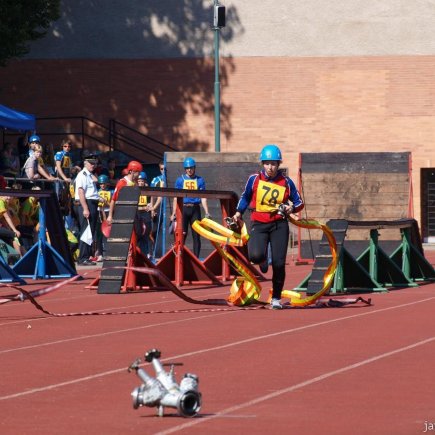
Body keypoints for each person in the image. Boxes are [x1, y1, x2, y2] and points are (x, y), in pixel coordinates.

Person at [231, 144, 304, 309]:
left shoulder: (286, 182)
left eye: (273, 163)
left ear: (278, 164)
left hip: (279, 225)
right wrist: (238, 213)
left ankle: (276, 298)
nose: (270, 167)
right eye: (267, 163)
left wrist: (291, 208)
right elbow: (245, 197)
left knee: (278, 264)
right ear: (262, 164)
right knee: (255, 256)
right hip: (258, 223)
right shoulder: (254, 179)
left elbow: (300, 202)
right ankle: (262, 259)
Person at [170, 157, 210, 259]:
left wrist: (207, 212)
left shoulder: (200, 180)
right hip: (183, 209)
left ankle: (196, 258)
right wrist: (174, 213)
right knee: (182, 234)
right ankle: (179, 257)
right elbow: (175, 198)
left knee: (196, 235)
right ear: (185, 169)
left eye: (191, 167)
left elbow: (203, 197)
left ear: (194, 167)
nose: (189, 170)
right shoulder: (180, 180)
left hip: (195, 209)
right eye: (187, 168)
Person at [74, 151, 100, 266]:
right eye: (90, 163)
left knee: (91, 232)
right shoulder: (82, 175)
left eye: (94, 163)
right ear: (85, 163)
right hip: (87, 204)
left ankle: (87, 256)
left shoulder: (90, 175)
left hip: (92, 203)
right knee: (86, 232)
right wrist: (85, 208)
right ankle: (82, 257)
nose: (93, 165)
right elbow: (80, 192)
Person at [106, 160, 143, 225]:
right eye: (138, 172)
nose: (139, 175)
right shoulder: (122, 182)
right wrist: (110, 216)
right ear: (132, 172)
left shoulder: (135, 183)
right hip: (122, 214)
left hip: (133, 214)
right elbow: (113, 199)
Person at [150, 161, 166, 258]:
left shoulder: (169, 179)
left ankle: (162, 252)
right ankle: (154, 250)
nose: (163, 171)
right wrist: (152, 209)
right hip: (157, 207)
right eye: (161, 169)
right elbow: (152, 195)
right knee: (154, 230)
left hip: (166, 207)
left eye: (164, 169)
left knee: (164, 230)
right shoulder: (155, 180)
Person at [136, 171, 153, 258]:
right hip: (138, 212)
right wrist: (142, 208)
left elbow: (151, 200)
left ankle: (147, 252)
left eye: (142, 181)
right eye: (139, 181)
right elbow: (134, 207)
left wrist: (151, 206)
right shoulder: (135, 190)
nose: (140, 183)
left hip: (146, 213)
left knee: (147, 232)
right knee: (138, 233)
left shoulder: (147, 190)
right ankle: (138, 252)